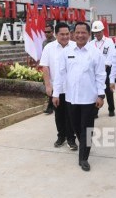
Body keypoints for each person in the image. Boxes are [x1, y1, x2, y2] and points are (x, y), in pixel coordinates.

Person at [52, 22, 106, 172]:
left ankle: (84, 158)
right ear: (73, 34)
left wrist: (101, 96)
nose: (80, 35)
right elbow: (60, 74)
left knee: (86, 129)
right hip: (71, 98)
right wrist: (56, 93)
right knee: (76, 127)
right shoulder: (67, 52)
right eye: (77, 32)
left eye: (83, 32)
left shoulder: (95, 53)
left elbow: (101, 76)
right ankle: (84, 145)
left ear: (89, 35)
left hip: (89, 99)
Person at [40, 22, 78, 151]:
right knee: (59, 114)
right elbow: (45, 67)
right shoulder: (49, 48)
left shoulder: (75, 46)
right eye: (62, 34)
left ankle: (71, 138)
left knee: (71, 114)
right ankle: (61, 136)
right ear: (56, 34)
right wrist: (48, 85)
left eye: (67, 34)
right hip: (57, 88)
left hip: (72, 88)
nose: (65, 37)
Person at [91, 20, 116, 117]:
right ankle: (95, 111)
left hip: (106, 69)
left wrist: (103, 68)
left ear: (103, 31)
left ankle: (111, 109)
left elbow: (111, 56)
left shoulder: (109, 42)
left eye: (99, 32)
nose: (97, 34)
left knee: (108, 91)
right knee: (95, 90)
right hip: (94, 71)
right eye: (95, 32)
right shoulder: (91, 43)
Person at [42, 24, 56, 114]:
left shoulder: (56, 41)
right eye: (45, 32)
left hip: (55, 67)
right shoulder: (44, 42)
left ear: (53, 32)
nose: (46, 34)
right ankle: (51, 106)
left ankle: (50, 107)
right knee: (50, 86)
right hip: (48, 68)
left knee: (55, 87)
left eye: (48, 32)